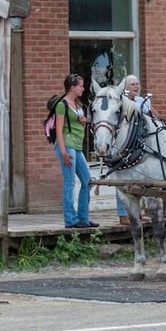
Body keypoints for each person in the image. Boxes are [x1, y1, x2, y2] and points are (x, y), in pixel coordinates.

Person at [54, 73, 97, 229]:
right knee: (70, 182)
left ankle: (83, 218)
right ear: (72, 87)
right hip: (67, 145)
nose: (83, 89)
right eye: (80, 86)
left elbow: (78, 125)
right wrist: (63, 152)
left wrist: (83, 121)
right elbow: (59, 130)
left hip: (77, 146)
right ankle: (70, 219)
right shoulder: (62, 105)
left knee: (88, 181)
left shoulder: (77, 104)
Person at [116, 74, 152, 226]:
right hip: (125, 146)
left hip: (139, 145)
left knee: (139, 179)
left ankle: (139, 213)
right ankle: (123, 214)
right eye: (132, 84)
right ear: (125, 87)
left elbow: (152, 116)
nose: (136, 86)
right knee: (121, 179)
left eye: (137, 84)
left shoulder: (141, 101)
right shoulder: (121, 102)